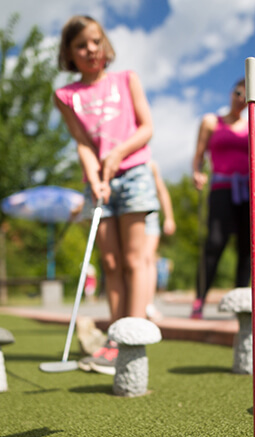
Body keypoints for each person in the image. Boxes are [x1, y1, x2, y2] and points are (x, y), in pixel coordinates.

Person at [54, 15, 159, 373]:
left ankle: (135, 334)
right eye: (81, 45)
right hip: (97, 180)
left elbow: (146, 128)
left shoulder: (126, 79)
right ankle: (116, 340)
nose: (91, 49)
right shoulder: (66, 95)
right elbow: (83, 142)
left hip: (133, 174)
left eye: (96, 41)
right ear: (69, 52)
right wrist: (94, 175)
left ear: (104, 43)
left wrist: (116, 154)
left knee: (134, 259)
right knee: (111, 263)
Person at [190, 79, 255, 319]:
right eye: (237, 93)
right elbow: (199, 155)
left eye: (245, 96)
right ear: (230, 93)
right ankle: (199, 298)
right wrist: (197, 172)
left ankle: (240, 300)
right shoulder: (211, 122)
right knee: (214, 242)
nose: (239, 98)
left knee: (247, 246)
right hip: (221, 188)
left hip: (250, 190)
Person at [144, 161, 176, 320]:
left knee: (148, 258)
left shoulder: (151, 164)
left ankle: (148, 304)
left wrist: (169, 217)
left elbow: (161, 191)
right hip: (126, 217)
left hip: (149, 216)